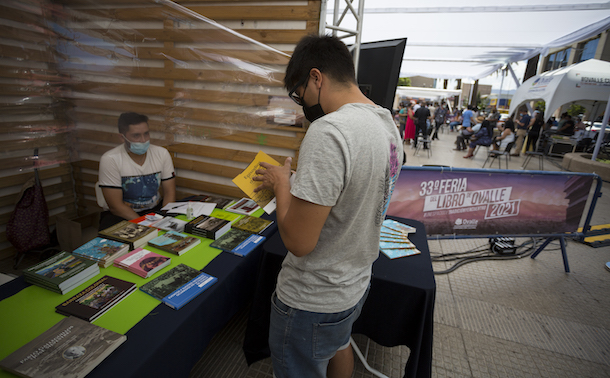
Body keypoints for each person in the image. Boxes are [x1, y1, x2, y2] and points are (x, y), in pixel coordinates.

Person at [252, 34, 403, 378]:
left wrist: (282, 185)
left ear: (316, 77)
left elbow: (299, 243)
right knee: (339, 345)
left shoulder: (329, 131)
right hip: (354, 284)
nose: (300, 103)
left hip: (312, 298)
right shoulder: (386, 124)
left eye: (299, 93)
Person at [98, 112, 176, 230]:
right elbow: (116, 207)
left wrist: (164, 218)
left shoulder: (161, 153)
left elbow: (170, 193)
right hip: (122, 215)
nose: (143, 140)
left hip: (155, 210)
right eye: (136, 136)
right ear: (121, 137)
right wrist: (145, 225)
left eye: (146, 134)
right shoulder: (110, 159)